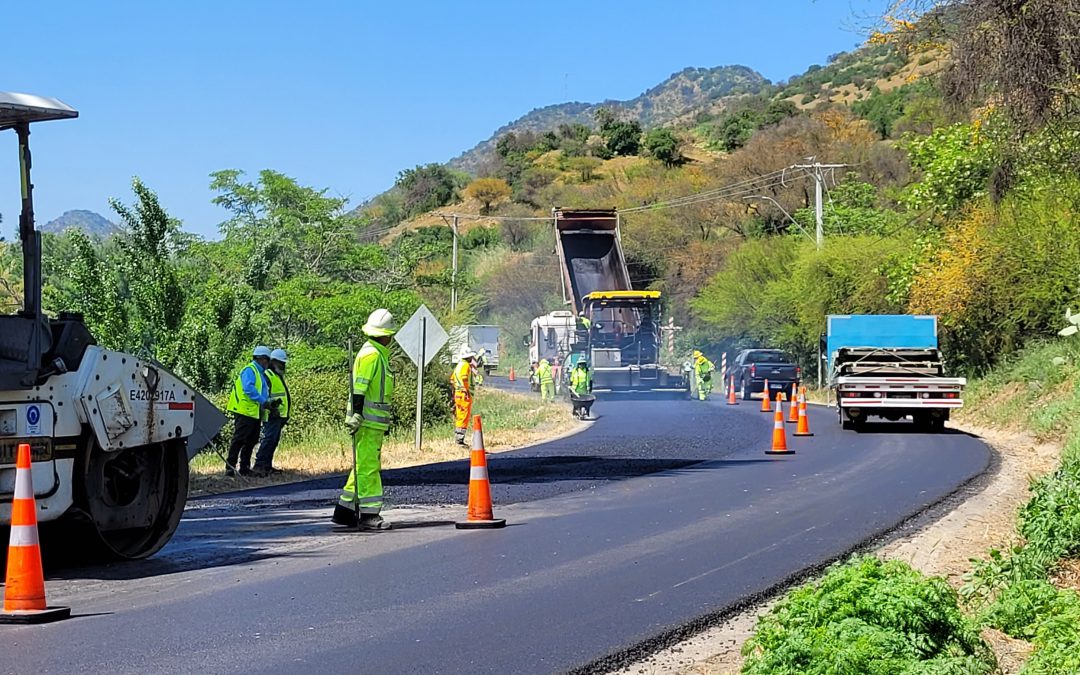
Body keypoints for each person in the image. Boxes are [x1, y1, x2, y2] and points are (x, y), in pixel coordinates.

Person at [332, 309, 397, 530]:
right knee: (368, 467)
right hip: (367, 422)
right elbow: (359, 387)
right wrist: (357, 413)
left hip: (372, 422)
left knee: (362, 465)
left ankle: (345, 510)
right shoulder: (372, 355)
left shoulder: (377, 353)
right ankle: (369, 514)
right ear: (386, 335)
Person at [225, 346, 272, 476]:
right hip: (244, 411)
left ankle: (244, 468)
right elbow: (248, 388)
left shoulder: (259, 373)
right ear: (262, 359)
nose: (268, 364)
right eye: (267, 361)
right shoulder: (250, 370)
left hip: (253, 412)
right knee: (239, 439)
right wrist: (264, 401)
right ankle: (230, 467)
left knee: (251, 440)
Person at [253, 348, 290, 477]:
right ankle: (260, 466)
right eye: (281, 363)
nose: (283, 365)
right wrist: (271, 408)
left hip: (278, 415)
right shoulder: (268, 375)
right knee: (269, 440)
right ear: (273, 362)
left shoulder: (276, 375)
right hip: (272, 414)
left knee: (273, 440)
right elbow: (265, 395)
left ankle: (267, 466)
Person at [451, 347, 477, 445]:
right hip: (463, 394)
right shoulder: (465, 365)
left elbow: (452, 380)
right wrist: (466, 391)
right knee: (464, 416)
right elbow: (464, 378)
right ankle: (460, 439)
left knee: (459, 416)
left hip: (458, 394)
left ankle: (458, 436)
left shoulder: (458, 366)